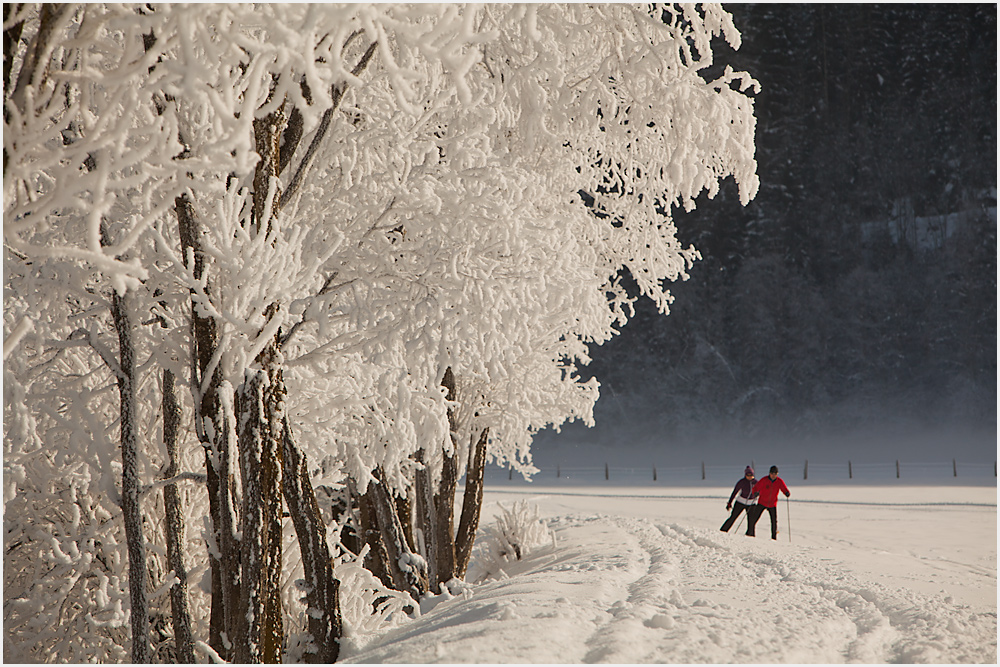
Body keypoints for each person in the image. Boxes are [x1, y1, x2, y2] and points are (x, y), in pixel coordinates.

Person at [747, 465, 790, 540]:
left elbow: (784, 488)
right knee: (754, 519)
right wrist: (756, 492)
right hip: (762, 503)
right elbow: (755, 488)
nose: (773, 475)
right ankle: (750, 534)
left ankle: (773, 538)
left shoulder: (779, 481)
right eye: (772, 473)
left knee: (774, 522)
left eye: (775, 474)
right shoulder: (764, 480)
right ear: (769, 473)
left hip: (772, 504)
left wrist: (786, 493)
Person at [720, 465, 759, 534]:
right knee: (733, 517)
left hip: (751, 504)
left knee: (751, 521)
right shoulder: (742, 482)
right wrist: (729, 503)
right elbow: (735, 492)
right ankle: (723, 531)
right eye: (748, 475)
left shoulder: (756, 482)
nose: (749, 477)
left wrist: (758, 493)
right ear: (745, 475)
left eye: (751, 475)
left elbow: (761, 491)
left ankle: (750, 535)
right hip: (740, 502)